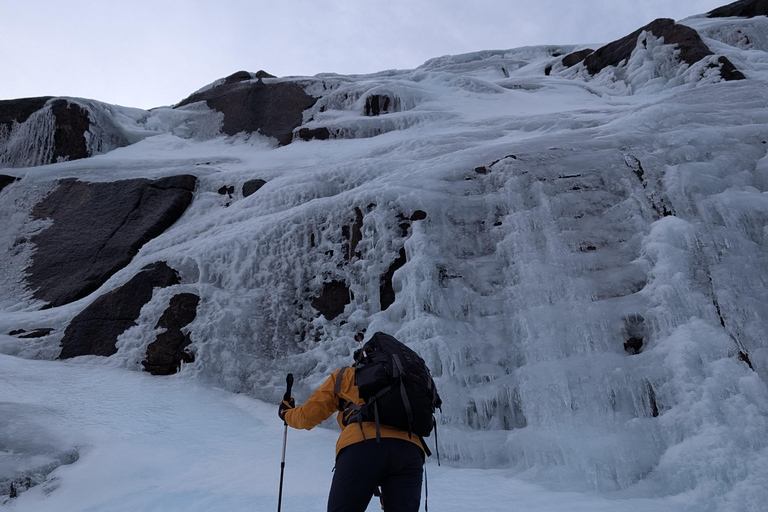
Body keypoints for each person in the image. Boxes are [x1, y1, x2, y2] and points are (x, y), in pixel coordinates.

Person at [278, 342, 425, 512]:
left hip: (362, 447)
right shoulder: (408, 384)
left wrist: (286, 414)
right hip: (410, 452)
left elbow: (307, 417)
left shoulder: (347, 376)